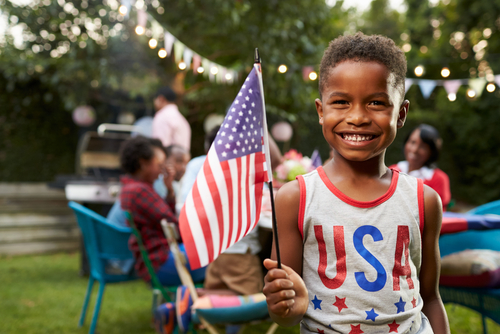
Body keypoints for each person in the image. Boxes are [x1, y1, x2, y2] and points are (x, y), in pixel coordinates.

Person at [263, 33, 450, 334]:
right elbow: (286, 313)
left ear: (400, 114)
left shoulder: (424, 200)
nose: (358, 117)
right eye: (341, 102)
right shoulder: (294, 199)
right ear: (321, 111)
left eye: (376, 102)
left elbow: (430, 297)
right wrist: (287, 308)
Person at [118, 136, 205, 286]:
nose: (162, 170)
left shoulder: (131, 188)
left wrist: (169, 189)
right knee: (216, 253)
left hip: (154, 262)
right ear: (143, 164)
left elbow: (164, 219)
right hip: (161, 262)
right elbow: (174, 229)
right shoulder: (140, 191)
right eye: (159, 164)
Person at [390, 124, 451, 211]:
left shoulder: (439, 178)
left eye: (423, 146)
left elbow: (438, 212)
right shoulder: (392, 170)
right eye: (412, 142)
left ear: (432, 151)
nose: (415, 150)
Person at [152, 86, 191, 152]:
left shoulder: (162, 117)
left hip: (169, 160)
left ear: (161, 99)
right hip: (183, 159)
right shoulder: (181, 119)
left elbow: (160, 146)